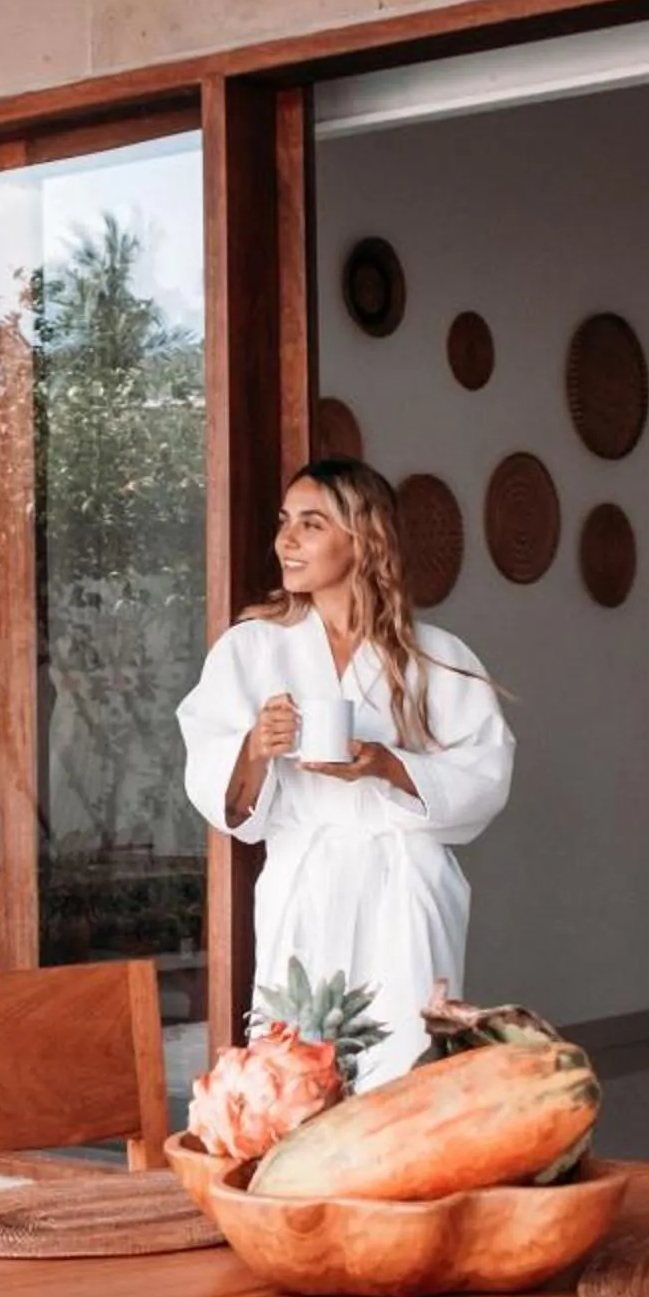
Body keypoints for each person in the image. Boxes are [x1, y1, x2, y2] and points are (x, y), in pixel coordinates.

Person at [177, 459, 514, 1086]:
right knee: (294, 1070)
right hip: (306, 877)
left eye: (311, 524)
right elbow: (215, 785)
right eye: (284, 522)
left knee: (405, 1065)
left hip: (405, 883)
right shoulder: (251, 648)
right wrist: (254, 746)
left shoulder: (433, 655)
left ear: (364, 539)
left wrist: (387, 765)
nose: (286, 540)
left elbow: (487, 772)